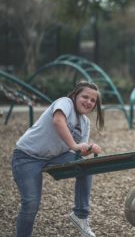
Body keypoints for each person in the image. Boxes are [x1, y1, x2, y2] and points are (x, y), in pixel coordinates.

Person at [12, 81, 104, 237]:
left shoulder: (84, 122)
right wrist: (75, 146)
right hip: (27, 156)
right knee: (31, 203)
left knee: (86, 165)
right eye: (85, 97)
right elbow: (58, 122)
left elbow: (79, 151)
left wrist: (89, 148)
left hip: (54, 156)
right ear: (75, 96)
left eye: (92, 100)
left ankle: (80, 215)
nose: (88, 102)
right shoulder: (64, 102)